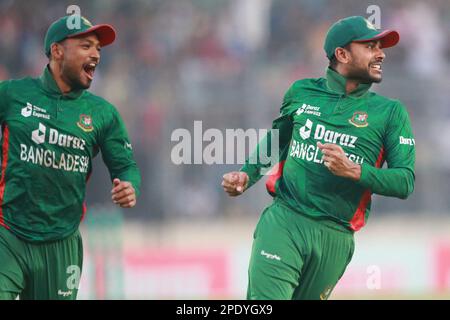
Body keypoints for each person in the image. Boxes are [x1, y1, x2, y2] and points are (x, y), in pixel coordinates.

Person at [222, 16, 415, 300]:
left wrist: (354, 170)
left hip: (336, 237)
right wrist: (247, 175)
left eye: (380, 47)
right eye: (371, 46)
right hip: (286, 220)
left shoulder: (390, 113)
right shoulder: (301, 92)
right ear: (342, 54)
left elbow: (405, 181)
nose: (381, 53)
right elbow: (277, 141)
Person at [0, 15, 141, 300]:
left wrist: (129, 185)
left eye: (98, 49)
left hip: (62, 243)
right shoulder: (12, 94)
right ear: (57, 51)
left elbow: (125, 166)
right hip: (7, 232)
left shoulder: (103, 113)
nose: (95, 55)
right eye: (86, 45)